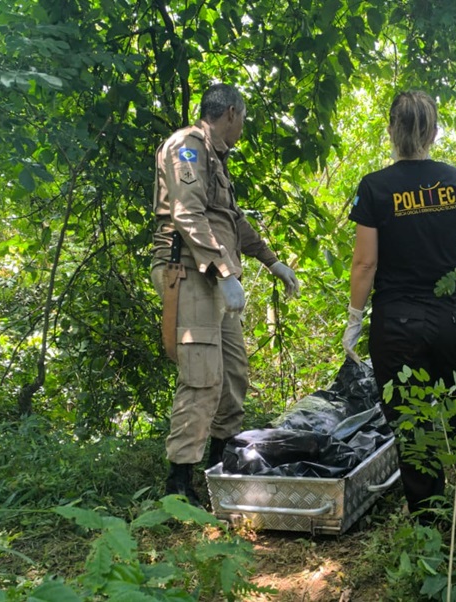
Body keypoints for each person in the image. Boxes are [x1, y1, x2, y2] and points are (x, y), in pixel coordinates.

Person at [151, 83, 300, 504]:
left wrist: (272, 261)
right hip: (191, 274)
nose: (242, 128)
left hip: (218, 279)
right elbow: (187, 214)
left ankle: (221, 464)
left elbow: (231, 220)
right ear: (231, 113)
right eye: (243, 120)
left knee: (233, 373)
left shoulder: (216, 159)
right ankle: (178, 484)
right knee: (201, 378)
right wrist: (222, 272)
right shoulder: (187, 146)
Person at [342, 90, 456, 522]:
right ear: (434, 131)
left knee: (411, 421)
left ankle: (429, 521)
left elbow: (365, 263)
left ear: (391, 130)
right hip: (453, 317)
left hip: (399, 325)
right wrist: (440, 253)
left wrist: (354, 319)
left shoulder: (375, 187)